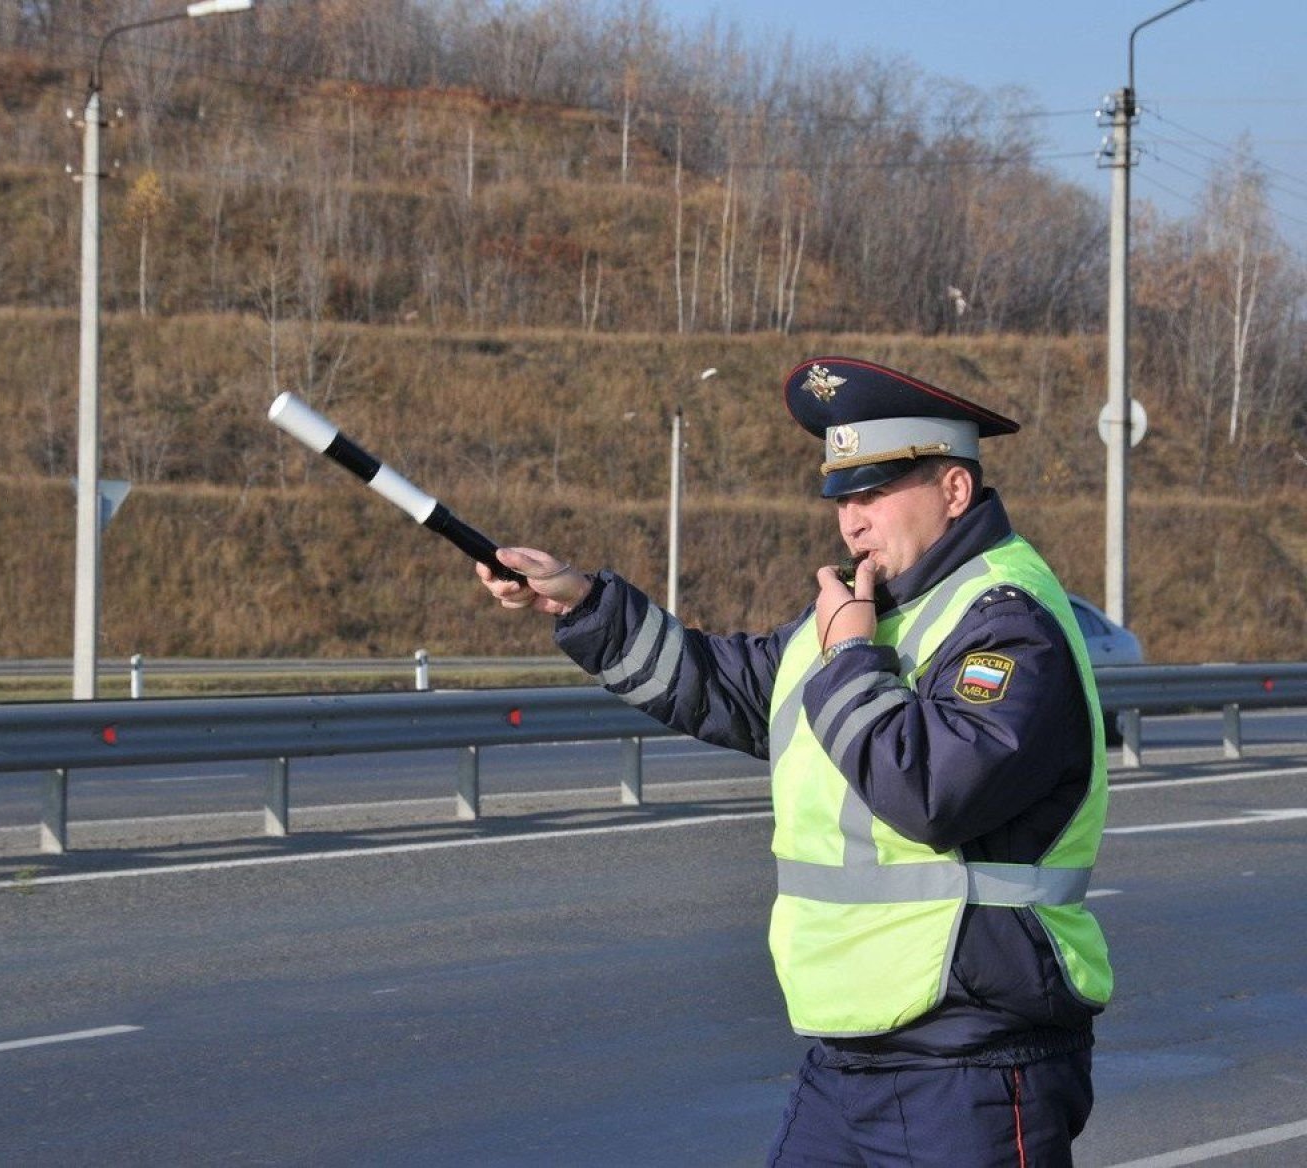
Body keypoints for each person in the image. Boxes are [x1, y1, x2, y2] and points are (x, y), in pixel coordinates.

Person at [476, 356, 1113, 1166]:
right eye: (844, 497)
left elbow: (932, 792)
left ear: (954, 490)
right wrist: (583, 601)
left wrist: (849, 655)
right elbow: (726, 688)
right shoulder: (869, 610)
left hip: (971, 1058)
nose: (853, 522)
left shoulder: (1004, 619)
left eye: (876, 492)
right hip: (848, 1054)